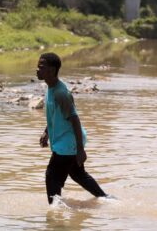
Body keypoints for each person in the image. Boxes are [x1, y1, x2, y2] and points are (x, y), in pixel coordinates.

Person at [37, 52, 107, 204]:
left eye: (41, 67)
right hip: (67, 141)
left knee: (52, 176)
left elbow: (75, 120)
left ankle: (55, 212)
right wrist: (46, 132)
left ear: (52, 70)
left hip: (68, 143)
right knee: (77, 174)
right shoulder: (50, 88)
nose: (37, 70)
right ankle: (105, 199)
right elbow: (55, 115)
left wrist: (80, 150)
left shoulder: (61, 94)